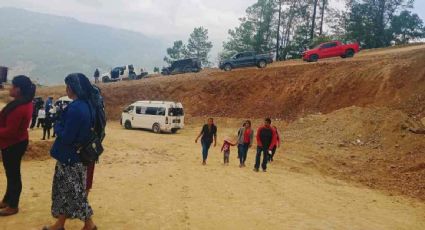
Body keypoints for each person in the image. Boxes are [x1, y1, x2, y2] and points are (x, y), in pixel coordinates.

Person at [43, 73, 97, 230]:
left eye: (68, 86)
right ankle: (60, 224)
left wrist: (57, 125)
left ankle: (90, 224)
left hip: (69, 158)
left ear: (74, 88)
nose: (66, 89)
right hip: (77, 156)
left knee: (75, 193)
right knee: (63, 191)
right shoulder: (88, 105)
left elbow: (67, 136)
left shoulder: (75, 108)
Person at [0, 75, 36, 216]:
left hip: (13, 144)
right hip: (15, 142)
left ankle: (13, 205)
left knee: (13, 175)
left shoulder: (20, 107)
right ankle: (7, 200)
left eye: (12, 86)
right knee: (11, 174)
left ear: (19, 89)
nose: (10, 88)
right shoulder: (22, 103)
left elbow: (10, 131)